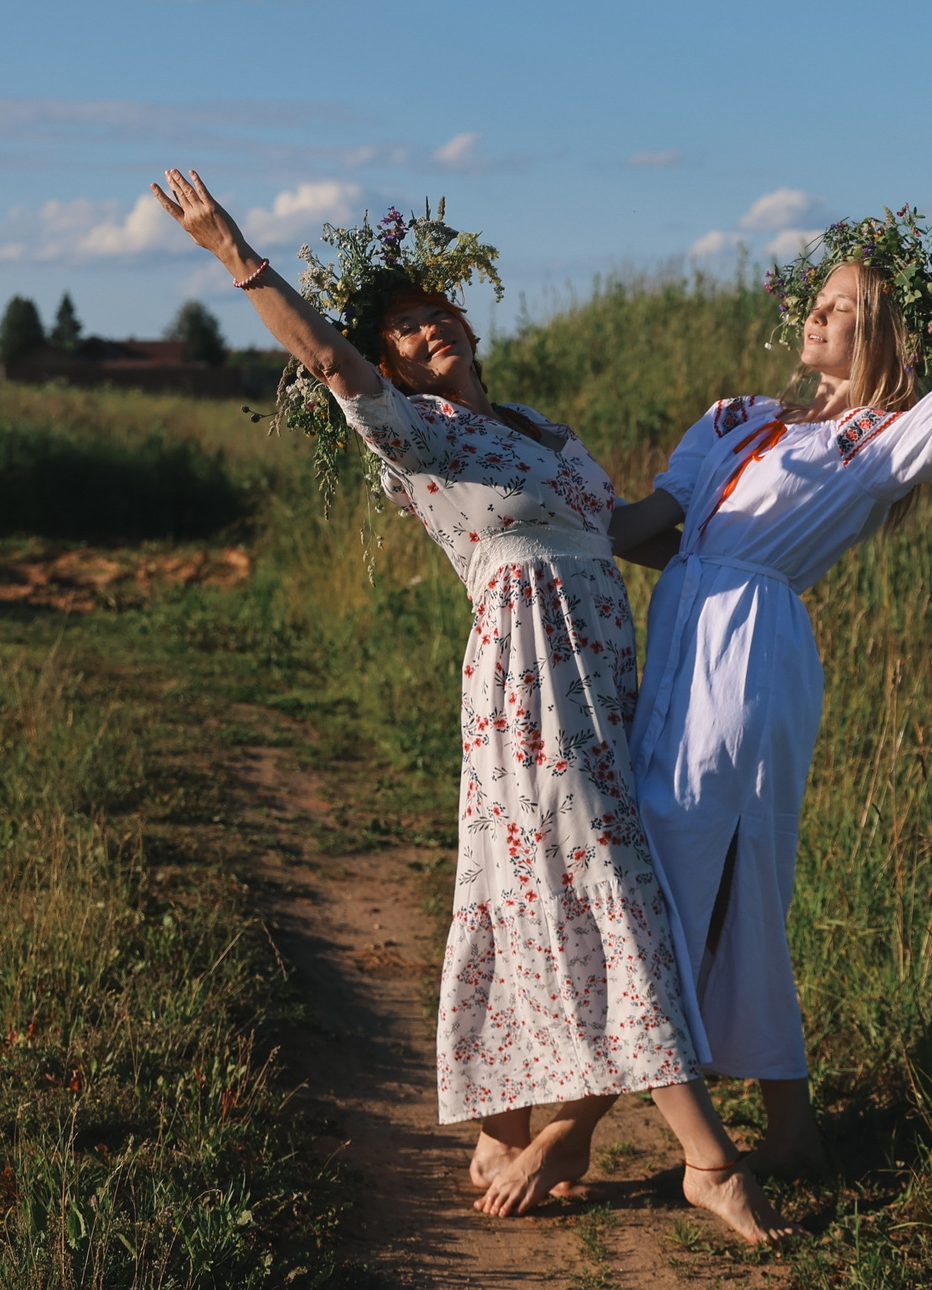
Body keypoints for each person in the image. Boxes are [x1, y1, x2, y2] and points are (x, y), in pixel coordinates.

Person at [148, 170, 793, 1243]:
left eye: (434, 312)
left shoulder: (546, 431)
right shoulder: (418, 435)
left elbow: (630, 530)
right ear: (393, 365)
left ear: (468, 322)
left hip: (608, 686)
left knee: (537, 888)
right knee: (605, 885)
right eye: (401, 331)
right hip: (529, 691)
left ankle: (505, 1129)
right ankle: (707, 1160)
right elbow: (327, 359)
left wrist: (763, 510)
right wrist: (235, 254)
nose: (425, 330)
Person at [612, 199, 932, 1174]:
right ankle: (792, 1132)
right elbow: (647, 529)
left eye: (842, 306)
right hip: (683, 638)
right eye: (816, 300)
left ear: (881, 332)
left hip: (750, 660)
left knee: (680, 868)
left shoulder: (878, 440)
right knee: (690, 868)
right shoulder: (734, 418)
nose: (815, 314)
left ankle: (580, 1132)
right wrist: (519, 486)